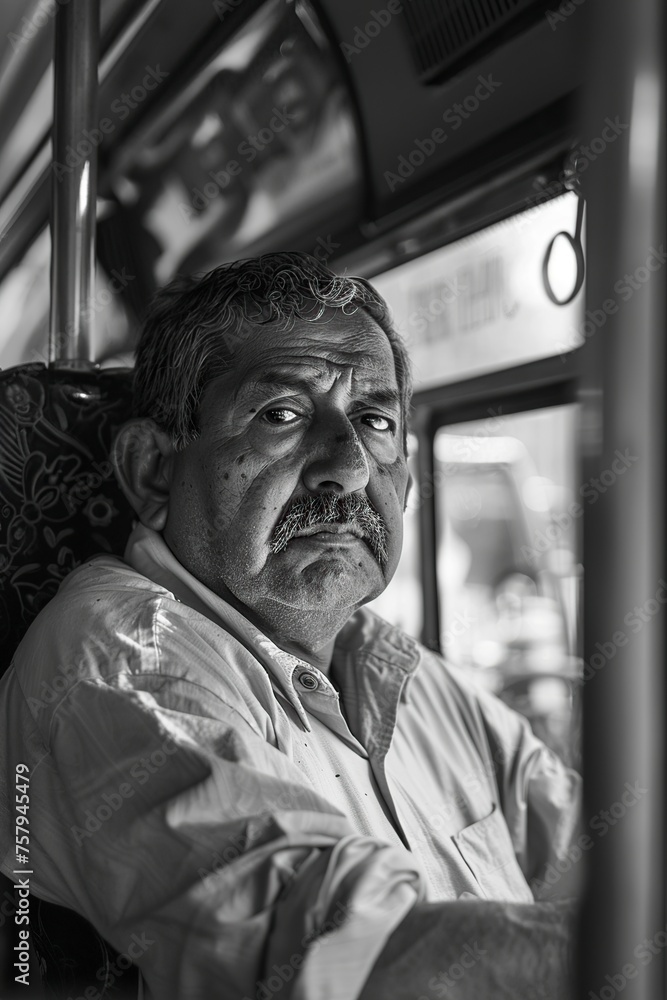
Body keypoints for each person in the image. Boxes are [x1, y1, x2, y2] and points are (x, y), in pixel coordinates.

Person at [0, 252, 579, 999]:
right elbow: (337, 962)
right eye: (282, 414)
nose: (347, 467)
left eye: (374, 421)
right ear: (151, 472)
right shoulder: (119, 659)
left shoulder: (396, 668)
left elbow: (588, 851)